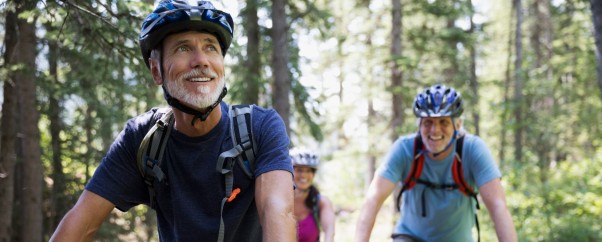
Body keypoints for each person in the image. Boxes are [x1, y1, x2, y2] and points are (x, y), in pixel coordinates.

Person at [50, 1, 295, 241]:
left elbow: (278, 212)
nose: (201, 60)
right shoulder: (142, 140)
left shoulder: (259, 128)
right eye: (183, 48)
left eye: (211, 47)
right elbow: (81, 224)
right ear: (156, 71)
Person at [354, 84, 517, 242]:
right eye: (428, 122)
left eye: (444, 122)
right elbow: (373, 199)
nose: (435, 130)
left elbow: (498, 207)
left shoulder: (473, 149)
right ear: (419, 125)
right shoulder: (404, 149)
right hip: (410, 237)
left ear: (458, 125)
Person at [290, 148, 336, 242]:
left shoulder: (321, 203)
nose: (304, 175)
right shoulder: (280, 200)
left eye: (309, 171)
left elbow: (329, 233)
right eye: (299, 170)